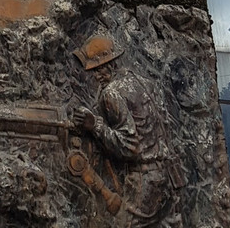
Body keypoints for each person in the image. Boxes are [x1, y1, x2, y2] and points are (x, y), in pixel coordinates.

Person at [73, 35, 183, 228]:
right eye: (93, 71)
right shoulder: (144, 83)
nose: (96, 76)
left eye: (99, 69)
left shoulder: (112, 93)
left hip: (146, 180)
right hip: (168, 177)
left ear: (112, 63)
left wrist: (94, 125)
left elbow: (129, 146)